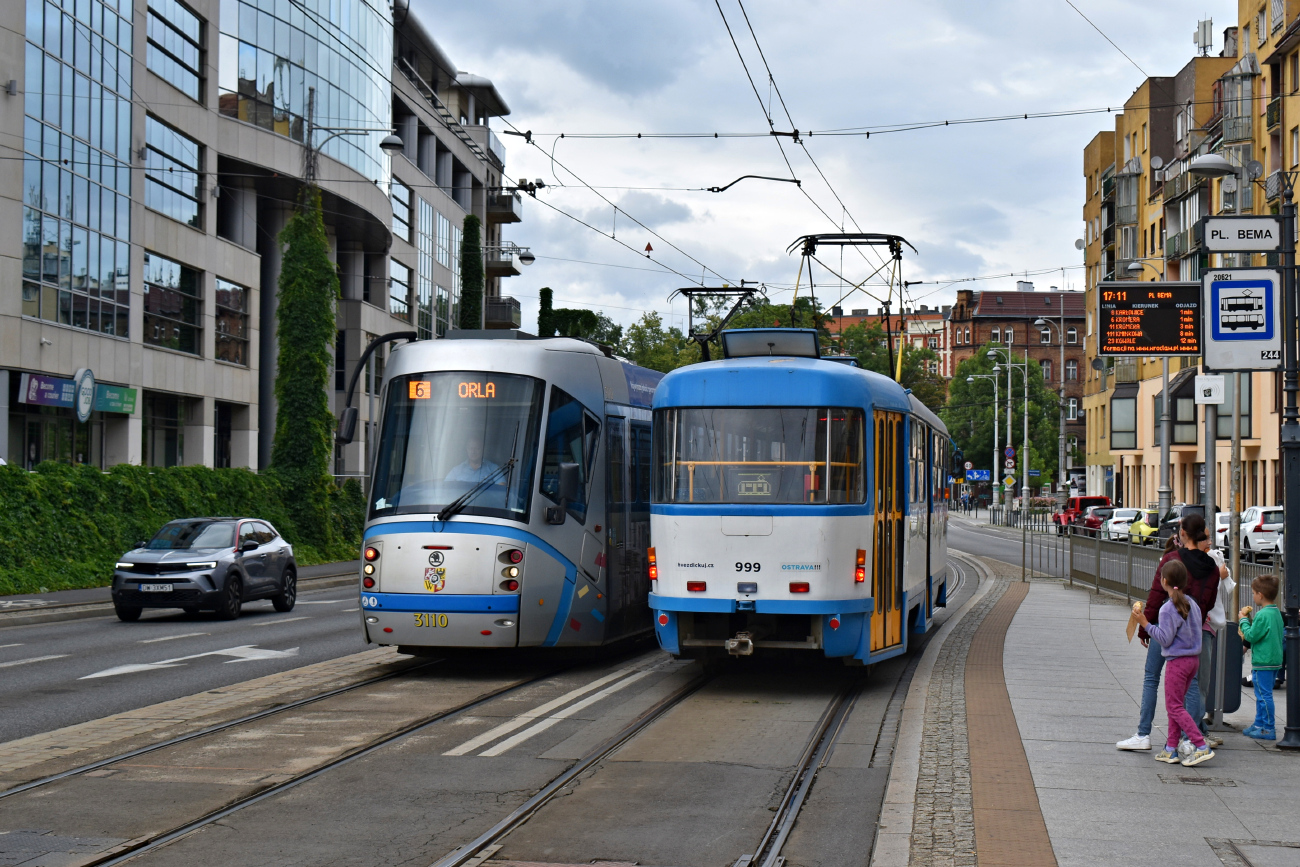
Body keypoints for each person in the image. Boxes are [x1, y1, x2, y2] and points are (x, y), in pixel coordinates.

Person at [1116, 516, 1225, 751]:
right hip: (1195, 633)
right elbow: (1207, 602)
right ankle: (1187, 739)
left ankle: (1143, 734)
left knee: (1151, 678)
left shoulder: (1171, 559)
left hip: (1166, 627)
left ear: (1183, 533)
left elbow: (1156, 595)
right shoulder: (1212, 569)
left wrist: (1146, 629)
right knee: (1193, 685)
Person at [1135, 560, 1214, 767]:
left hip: (1177, 662)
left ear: (1164, 581)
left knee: (1175, 706)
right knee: (1175, 705)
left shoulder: (1168, 609)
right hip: (1192, 661)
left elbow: (1165, 638)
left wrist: (1145, 624)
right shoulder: (1192, 604)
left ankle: (1200, 745)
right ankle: (1171, 748)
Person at [1239, 574, 1285, 740]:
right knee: (1261, 694)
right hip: (1273, 660)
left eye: (1253, 593)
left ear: (1260, 595)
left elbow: (1251, 636)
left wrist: (1243, 621)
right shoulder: (1276, 613)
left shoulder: (1262, 615)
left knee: (1264, 695)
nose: (1252, 596)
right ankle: (1259, 724)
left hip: (1263, 661)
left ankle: (1268, 727)